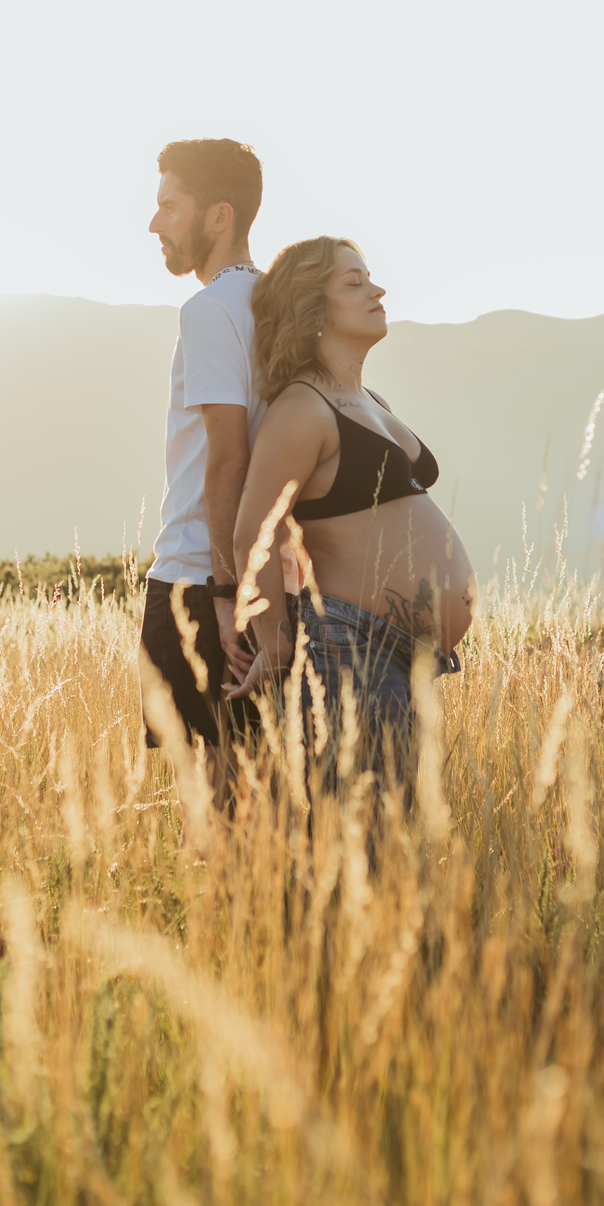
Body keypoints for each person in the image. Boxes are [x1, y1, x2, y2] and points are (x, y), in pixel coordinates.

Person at [227, 236, 475, 786]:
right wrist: (272, 641)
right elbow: (253, 531)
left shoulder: (371, 400)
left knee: (385, 844)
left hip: (403, 658)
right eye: (354, 282)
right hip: (355, 651)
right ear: (312, 308)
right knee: (360, 843)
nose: (376, 290)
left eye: (370, 278)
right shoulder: (300, 409)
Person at [141, 139, 264, 769]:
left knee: (215, 803)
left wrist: (223, 596)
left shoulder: (211, 311)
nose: (155, 223)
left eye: (170, 206)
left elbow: (229, 459)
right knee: (249, 787)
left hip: (198, 576)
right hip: (253, 577)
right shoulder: (272, 303)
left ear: (219, 216)